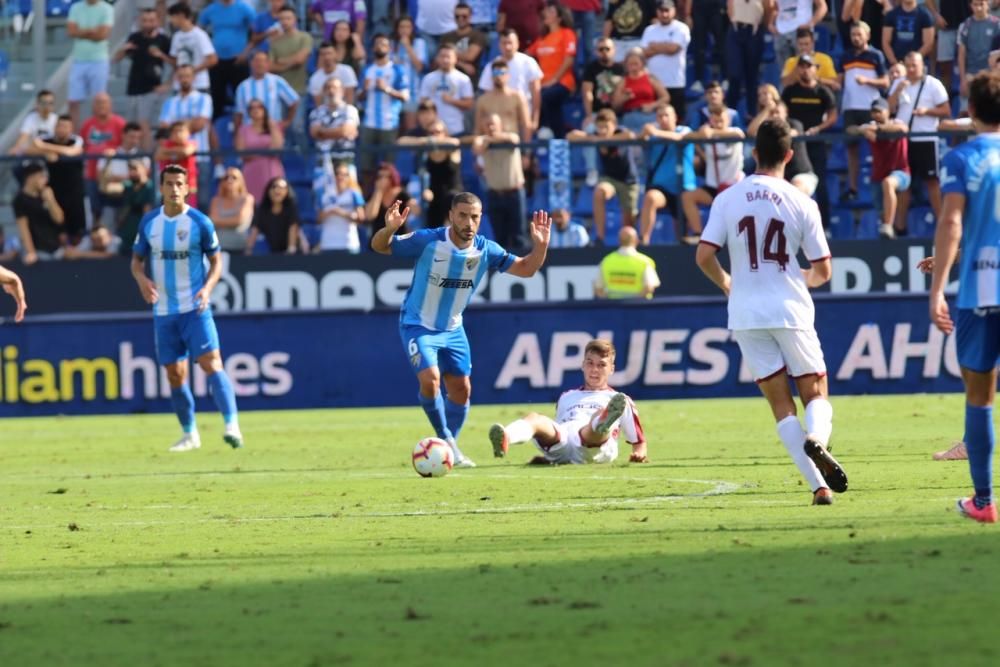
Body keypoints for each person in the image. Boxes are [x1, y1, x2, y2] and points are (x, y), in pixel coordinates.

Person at [695, 118, 847, 506]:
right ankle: (818, 439)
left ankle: (819, 487)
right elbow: (823, 270)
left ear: (754, 153)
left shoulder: (728, 198)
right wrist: (802, 279)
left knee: (781, 404)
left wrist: (728, 282)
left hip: (745, 313)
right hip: (790, 308)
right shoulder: (802, 202)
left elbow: (704, 255)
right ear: (790, 156)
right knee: (815, 390)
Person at [370, 194, 551, 467]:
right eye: (463, 215)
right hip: (417, 324)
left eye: (475, 217)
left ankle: (446, 445)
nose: (469, 222)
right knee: (430, 379)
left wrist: (540, 247)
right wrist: (390, 229)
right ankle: (447, 441)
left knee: (461, 389)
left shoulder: (486, 249)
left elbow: (526, 269)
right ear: (451, 215)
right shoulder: (428, 240)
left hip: (454, 329)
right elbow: (380, 247)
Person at [131, 164, 243, 452]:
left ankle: (232, 426)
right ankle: (190, 434)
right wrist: (142, 279)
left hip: (194, 308)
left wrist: (206, 288)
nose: (175, 189)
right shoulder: (149, 223)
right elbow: (135, 261)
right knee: (174, 374)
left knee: (212, 363)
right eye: (169, 184)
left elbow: (217, 262)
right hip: (164, 311)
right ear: (161, 188)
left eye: (180, 184)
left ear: (188, 187)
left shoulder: (200, 222)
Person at [928, 70, 1000, 522]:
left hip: (982, 287)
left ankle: (984, 501)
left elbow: (953, 222)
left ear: (969, 110)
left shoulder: (960, 159)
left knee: (979, 395)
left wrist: (937, 289)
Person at [488, 339, 647, 464]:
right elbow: (559, 425)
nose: (594, 369)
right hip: (564, 443)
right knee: (536, 418)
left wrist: (639, 454)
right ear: (583, 365)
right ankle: (506, 437)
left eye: (601, 365)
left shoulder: (619, 399)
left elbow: (639, 441)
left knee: (596, 421)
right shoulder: (567, 396)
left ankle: (603, 421)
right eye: (590, 363)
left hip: (595, 448)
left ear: (611, 369)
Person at [888, 51, 950, 229]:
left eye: (914, 65)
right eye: (907, 66)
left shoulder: (933, 84)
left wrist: (927, 112)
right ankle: (900, 227)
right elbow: (889, 108)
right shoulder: (900, 83)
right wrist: (898, 89)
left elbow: (946, 110)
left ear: (922, 65)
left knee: (932, 182)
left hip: (926, 138)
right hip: (904, 140)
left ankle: (942, 225)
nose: (911, 69)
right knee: (903, 182)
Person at [782, 53, 838, 228]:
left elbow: (833, 115)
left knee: (820, 184)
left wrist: (819, 128)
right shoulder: (790, 91)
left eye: (809, 66)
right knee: (788, 184)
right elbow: (782, 111)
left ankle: (824, 226)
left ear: (816, 69)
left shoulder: (822, 91)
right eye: (802, 66)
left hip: (815, 143)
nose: (805, 70)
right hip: (794, 146)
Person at [567, 109, 638, 244]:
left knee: (629, 219)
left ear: (614, 125)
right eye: (599, 127)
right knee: (600, 192)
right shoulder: (595, 135)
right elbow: (571, 136)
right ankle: (600, 237)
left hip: (629, 181)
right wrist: (592, 138)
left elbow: (630, 136)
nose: (602, 130)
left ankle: (628, 243)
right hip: (609, 179)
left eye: (606, 126)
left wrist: (605, 140)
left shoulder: (621, 132)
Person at [681, 106, 745, 243]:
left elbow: (739, 135)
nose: (719, 124)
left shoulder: (734, 131)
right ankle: (698, 234)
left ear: (728, 120)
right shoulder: (707, 134)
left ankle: (737, 237)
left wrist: (712, 132)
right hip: (713, 187)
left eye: (721, 120)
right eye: (715, 121)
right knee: (688, 197)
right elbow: (686, 137)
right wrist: (701, 134)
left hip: (733, 187)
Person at [839, 20, 888, 201]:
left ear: (867, 36)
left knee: (877, 147)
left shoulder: (876, 55)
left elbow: (885, 82)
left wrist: (867, 81)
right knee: (852, 149)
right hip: (850, 107)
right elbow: (839, 81)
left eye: (859, 34)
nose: (856, 38)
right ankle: (853, 188)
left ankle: (879, 185)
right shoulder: (845, 57)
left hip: (870, 107)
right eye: (853, 35)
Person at [850, 97, 910, 238]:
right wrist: (862, 130)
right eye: (873, 112)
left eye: (879, 111)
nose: (876, 115)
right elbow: (850, 129)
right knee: (882, 212)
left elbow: (903, 129)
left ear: (887, 111)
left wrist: (878, 129)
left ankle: (889, 226)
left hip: (901, 172)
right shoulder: (869, 126)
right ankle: (891, 234)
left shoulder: (896, 123)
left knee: (888, 183)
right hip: (877, 175)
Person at [114, 8, 171, 150]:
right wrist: (123, 49)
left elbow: (176, 64)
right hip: (133, 88)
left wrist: (167, 84)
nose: (147, 24)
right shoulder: (135, 37)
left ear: (157, 21)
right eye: (144, 20)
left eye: (151, 20)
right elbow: (117, 59)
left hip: (151, 89)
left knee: (143, 124)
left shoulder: (163, 40)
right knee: (131, 126)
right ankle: (132, 155)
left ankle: (147, 158)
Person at [159, 65, 214, 205]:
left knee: (201, 200)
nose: (184, 79)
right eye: (181, 76)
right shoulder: (170, 102)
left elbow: (200, 124)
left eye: (187, 76)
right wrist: (188, 124)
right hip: (174, 158)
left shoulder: (204, 98)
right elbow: (164, 129)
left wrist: (176, 127)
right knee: (175, 201)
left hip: (199, 157)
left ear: (194, 78)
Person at [359, 33, 409, 188]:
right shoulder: (367, 70)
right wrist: (365, 90)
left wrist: (386, 89)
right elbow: (359, 97)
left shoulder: (397, 70)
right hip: (369, 122)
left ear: (390, 48)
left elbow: (405, 96)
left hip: (390, 122)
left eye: (384, 44)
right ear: (373, 48)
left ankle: (389, 199)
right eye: (377, 44)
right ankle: (368, 198)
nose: (380, 46)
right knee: (367, 166)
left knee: (389, 166)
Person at [640, 104, 695, 244]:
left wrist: (655, 133)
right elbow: (639, 141)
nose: (663, 119)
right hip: (662, 188)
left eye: (667, 115)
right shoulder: (653, 136)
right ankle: (643, 243)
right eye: (660, 116)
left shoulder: (685, 130)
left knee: (682, 231)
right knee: (651, 198)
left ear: (675, 117)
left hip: (684, 188)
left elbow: (679, 138)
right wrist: (643, 134)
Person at [473, 112, 527, 251]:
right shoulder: (483, 140)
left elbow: (513, 139)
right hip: (495, 195)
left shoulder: (510, 136)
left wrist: (490, 140)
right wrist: (488, 140)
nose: (491, 127)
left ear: (501, 126)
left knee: (518, 237)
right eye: (487, 125)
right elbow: (476, 148)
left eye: (493, 124)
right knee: (500, 238)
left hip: (514, 193)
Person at [30, 116, 86, 244]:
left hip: (74, 191)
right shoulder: (47, 139)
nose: (62, 129)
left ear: (71, 129)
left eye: (65, 127)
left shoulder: (76, 140)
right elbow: (30, 148)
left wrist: (45, 148)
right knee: (57, 227)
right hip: (54, 189)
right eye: (59, 126)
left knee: (76, 230)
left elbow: (72, 152)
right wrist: (44, 153)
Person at [526, 2, 578, 138]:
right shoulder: (542, 38)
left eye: (551, 11)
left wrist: (554, 79)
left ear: (559, 18)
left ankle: (550, 131)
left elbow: (569, 60)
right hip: (543, 83)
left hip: (563, 82)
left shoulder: (567, 34)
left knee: (544, 97)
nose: (546, 14)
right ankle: (554, 134)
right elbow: (528, 54)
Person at [399, 121, 463, 230]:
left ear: (445, 133)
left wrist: (435, 141)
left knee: (452, 201)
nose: (434, 135)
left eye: (438, 132)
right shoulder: (426, 151)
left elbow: (455, 142)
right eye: (431, 133)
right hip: (431, 196)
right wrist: (426, 141)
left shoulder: (451, 150)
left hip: (451, 196)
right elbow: (401, 141)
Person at [198, 0, 255, 120]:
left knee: (242, 96)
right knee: (216, 98)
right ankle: (216, 131)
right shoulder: (211, 9)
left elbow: (257, 32)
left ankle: (247, 128)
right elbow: (199, 30)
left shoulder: (244, 8)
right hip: (217, 61)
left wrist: (246, 52)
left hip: (238, 60)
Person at [479, 29, 543, 133]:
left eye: (510, 43)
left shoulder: (528, 62)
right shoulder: (491, 66)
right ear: (499, 45)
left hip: (524, 115)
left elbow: (536, 92)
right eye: (504, 43)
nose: (507, 47)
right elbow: (487, 94)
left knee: (525, 148)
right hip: (499, 118)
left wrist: (535, 119)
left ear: (517, 43)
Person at [80, 93, 127, 229]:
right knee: (94, 207)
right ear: (93, 106)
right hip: (92, 174)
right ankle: (95, 234)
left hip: (112, 175)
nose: (101, 106)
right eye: (98, 103)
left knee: (113, 207)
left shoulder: (119, 123)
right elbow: (83, 146)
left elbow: (126, 145)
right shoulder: (88, 124)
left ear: (110, 105)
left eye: (104, 102)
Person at [66, 0, 114, 128]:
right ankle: (74, 136)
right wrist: (92, 31)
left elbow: (102, 35)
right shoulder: (76, 7)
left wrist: (81, 32)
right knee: (73, 101)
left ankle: (97, 134)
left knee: (99, 102)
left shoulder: (107, 8)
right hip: (78, 59)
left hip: (99, 59)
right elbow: (71, 32)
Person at [642, 1, 691, 123]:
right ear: (657, 12)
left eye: (667, 10)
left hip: (675, 82)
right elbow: (644, 53)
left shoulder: (681, 28)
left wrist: (654, 46)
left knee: (676, 121)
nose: (664, 14)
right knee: (655, 121)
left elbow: (673, 49)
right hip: (654, 84)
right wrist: (665, 46)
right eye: (661, 11)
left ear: (674, 11)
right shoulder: (649, 30)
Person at [725, 0, 772, 116]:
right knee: (734, 74)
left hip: (753, 31)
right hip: (736, 29)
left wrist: (762, 24)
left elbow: (769, 8)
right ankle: (731, 113)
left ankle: (752, 114)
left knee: (751, 76)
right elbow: (729, 7)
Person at [13, 163, 65, 265]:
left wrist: (51, 200)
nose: (45, 180)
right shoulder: (20, 200)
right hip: (39, 251)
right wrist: (31, 252)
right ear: (30, 178)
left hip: (56, 248)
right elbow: (23, 227)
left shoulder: (47, 194)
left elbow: (59, 220)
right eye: (41, 176)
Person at [234, 50, 300, 131]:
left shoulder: (277, 81)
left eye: (263, 61)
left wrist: (287, 122)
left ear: (268, 64)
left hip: (273, 129)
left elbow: (294, 100)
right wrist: (236, 133)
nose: (260, 64)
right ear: (251, 63)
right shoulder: (243, 86)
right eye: (257, 61)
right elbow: (239, 113)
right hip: (250, 131)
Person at [419, 44, 474, 137]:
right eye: (442, 56)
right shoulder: (428, 78)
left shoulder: (463, 79)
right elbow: (422, 103)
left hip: (455, 128)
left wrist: (452, 101)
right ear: (437, 58)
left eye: (448, 57)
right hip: (433, 130)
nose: (445, 60)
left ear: (455, 58)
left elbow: (469, 104)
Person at [236, 99, 286, 202]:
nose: (256, 110)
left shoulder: (273, 127)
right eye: (252, 108)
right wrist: (264, 152)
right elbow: (242, 153)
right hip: (252, 172)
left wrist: (272, 126)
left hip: (272, 170)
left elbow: (277, 149)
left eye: (259, 107)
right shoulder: (243, 130)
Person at [162, 3, 218, 94]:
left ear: (181, 16)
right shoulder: (177, 37)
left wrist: (192, 71)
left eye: (172, 17)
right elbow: (175, 62)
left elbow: (213, 59)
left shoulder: (199, 35)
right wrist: (161, 56)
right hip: (180, 85)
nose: (171, 21)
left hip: (199, 84)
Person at [611, 48, 670, 133]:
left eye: (636, 64)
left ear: (642, 64)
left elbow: (665, 97)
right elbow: (615, 105)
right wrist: (624, 98)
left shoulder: (650, 79)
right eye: (630, 64)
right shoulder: (623, 82)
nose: (633, 67)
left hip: (650, 115)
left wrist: (652, 105)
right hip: (630, 116)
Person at [595, 227, 661, 298]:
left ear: (619, 241)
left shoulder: (606, 261)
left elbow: (598, 289)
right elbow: (649, 287)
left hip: (614, 307)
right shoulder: (644, 262)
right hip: (639, 307)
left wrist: (610, 303)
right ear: (636, 240)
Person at [390, 15, 428, 130]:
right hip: (392, 93)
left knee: (410, 128)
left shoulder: (419, 43)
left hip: (413, 93)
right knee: (394, 129)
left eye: (408, 27)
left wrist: (407, 46)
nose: (404, 30)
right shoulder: (391, 44)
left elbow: (420, 67)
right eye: (401, 27)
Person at [317, 162, 365, 252]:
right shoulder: (324, 194)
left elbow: (361, 218)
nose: (340, 177)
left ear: (348, 177)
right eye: (337, 173)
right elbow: (318, 219)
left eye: (344, 174)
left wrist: (341, 213)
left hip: (348, 243)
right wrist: (329, 213)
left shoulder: (354, 194)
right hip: (327, 244)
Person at [246, 177, 301, 254]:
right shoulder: (262, 210)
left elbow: (293, 231)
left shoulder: (291, 209)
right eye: (274, 187)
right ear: (268, 191)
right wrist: (248, 251)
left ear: (287, 191)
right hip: (272, 254)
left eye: (281, 188)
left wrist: (290, 252)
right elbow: (254, 232)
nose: (277, 190)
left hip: (293, 255)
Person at [958, 0, 1000, 104]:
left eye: (981, 4)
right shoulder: (965, 26)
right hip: (971, 76)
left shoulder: (997, 24)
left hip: (991, 76)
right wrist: (963, 79)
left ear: (987, 4)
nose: (979, 8)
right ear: (970, 6)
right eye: (975, 4)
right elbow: (961, 55)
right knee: (966, 111)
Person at [365, 163, 415, 243]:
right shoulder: (373, 194)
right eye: (380, 177)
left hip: (398, 240)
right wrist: (379, 191)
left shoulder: (402, 193)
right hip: (378, 241)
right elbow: (370, 216)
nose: (383, 179)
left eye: (387, 177)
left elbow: (417, 210)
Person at [268, 5, 314, 94]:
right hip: (279, 91)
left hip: (300, 90)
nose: (285, 22)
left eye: (288, 18)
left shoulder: (304, 37)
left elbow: (299, 60)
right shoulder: (274, 42)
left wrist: (281, 61)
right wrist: (292, 62)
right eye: (281, 19)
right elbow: (270, 67)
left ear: (295, 19)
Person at [440, 2, 489, 81]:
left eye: (464, 16)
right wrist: (462, 64)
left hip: (470, 79)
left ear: (470, 17)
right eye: (457, 16)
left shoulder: (477, 35)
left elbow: (470, 57)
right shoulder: (447, 36)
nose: (460, 19)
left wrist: (449, 55)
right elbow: (440, 58)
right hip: (447, 77)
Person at [210, 167, 255, 251]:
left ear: (241, 181)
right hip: (219, 249)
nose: (229, 180)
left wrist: (220, 221)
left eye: (234, 177)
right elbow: (212, 220)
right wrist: (232, 221)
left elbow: (239, 220)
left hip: (241, 249)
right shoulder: (216, 200)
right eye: (226, 177)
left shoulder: (247, 199)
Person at [116, 160, 157, 252]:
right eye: (130, 169)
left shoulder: (150, 187)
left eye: (135, 169)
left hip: (141, 231)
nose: (132, 172)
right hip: (127, 231)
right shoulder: (128, 186)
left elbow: (147, 211)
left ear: (145, 170)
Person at [156, 121, 199, 206]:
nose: (178, 134)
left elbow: (186, 152)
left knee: (188, 213)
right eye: (175, 131)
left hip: (188, 187)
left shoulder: (192, 143)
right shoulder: (167, 144)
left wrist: (169, 153)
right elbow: (158, 155)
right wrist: (177, 153)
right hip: (169, 187)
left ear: (188, 133)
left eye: (181, 130)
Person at [882, 0, 935, 67]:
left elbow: (928, 43)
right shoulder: (891, 15)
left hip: (918, 65)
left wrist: (912, 62)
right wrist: (895, 63)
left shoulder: (925, 15)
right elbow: (886, 42)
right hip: (896, 64)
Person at [309, 40, 359, 107]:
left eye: (329, 53)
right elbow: (319, 106)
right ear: (319, 57)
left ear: (335, 54)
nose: (326, 57)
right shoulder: (315, 78)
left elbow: (350, 100)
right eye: (323, 54)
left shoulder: (347, 71)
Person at [9, 90, 57, 156]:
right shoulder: (30, 118)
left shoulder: (56, 120)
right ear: (37, 104)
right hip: (33, 157)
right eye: (44, 103)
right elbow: (23, 138)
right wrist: (16, 148)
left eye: (50, 103)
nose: (47, 106)